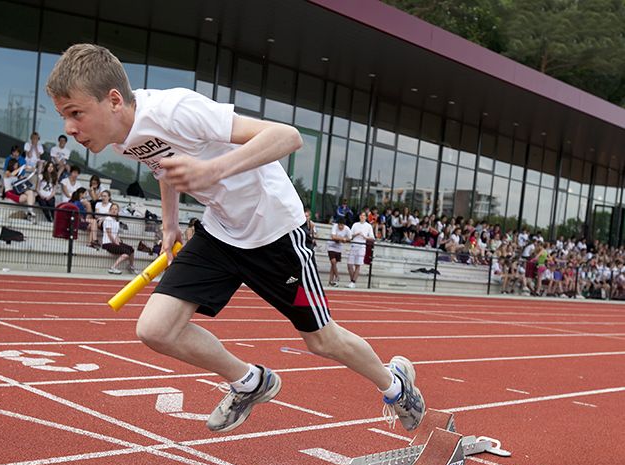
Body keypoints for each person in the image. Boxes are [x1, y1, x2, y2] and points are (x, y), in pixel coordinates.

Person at [46, 43, 425, 434]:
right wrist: (170, 224)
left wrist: (214, 170)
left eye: (75, 114)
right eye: (63, 117)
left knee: (322, 341)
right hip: (220, 232)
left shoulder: (175, 110)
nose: (69, 129)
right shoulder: (121, 138)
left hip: (276, 232)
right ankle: (250, 382)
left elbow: (288, 136)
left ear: (112, 101)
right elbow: (164, 167)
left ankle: (396, 386)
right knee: (155, 330)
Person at [101, 202, 136, 274]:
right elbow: (109, 233)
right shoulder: (108, 219)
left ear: (118, 211)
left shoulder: (116, 221)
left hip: (114, 242)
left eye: (115, 209)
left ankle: (131, 266)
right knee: (127, 252)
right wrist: (115, 242)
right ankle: (113, 267)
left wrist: (118, 242)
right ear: (110, 210)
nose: (114, 210)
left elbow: (116, 234)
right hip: (107, 243)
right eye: (112, 209)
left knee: (131, 249)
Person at [347, 211, 375, 288]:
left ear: (366, 217)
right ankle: (352, 280)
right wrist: (356, 234)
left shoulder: (368, 226)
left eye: (364, 215)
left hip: (362, 246)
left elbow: (372, 237)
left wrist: (365, 237)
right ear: (359, 216)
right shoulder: (355, 225)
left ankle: (353, 281)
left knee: (357, 264)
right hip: (354, 245)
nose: (362, 217)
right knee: (349, 265)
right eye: (361, 215)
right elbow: (350, 236)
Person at [327, 216, 351, 286]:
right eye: (339, 225)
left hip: (338, 248)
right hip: (331, 246)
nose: (340, 227)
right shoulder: (335, 226)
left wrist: (344, 240)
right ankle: (337, 276)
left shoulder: (347, 229)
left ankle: (330, 281)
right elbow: (333, 237)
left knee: (333, 265)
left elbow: (350, 238)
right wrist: (342, 239)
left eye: (342, 225)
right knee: (333, 261)